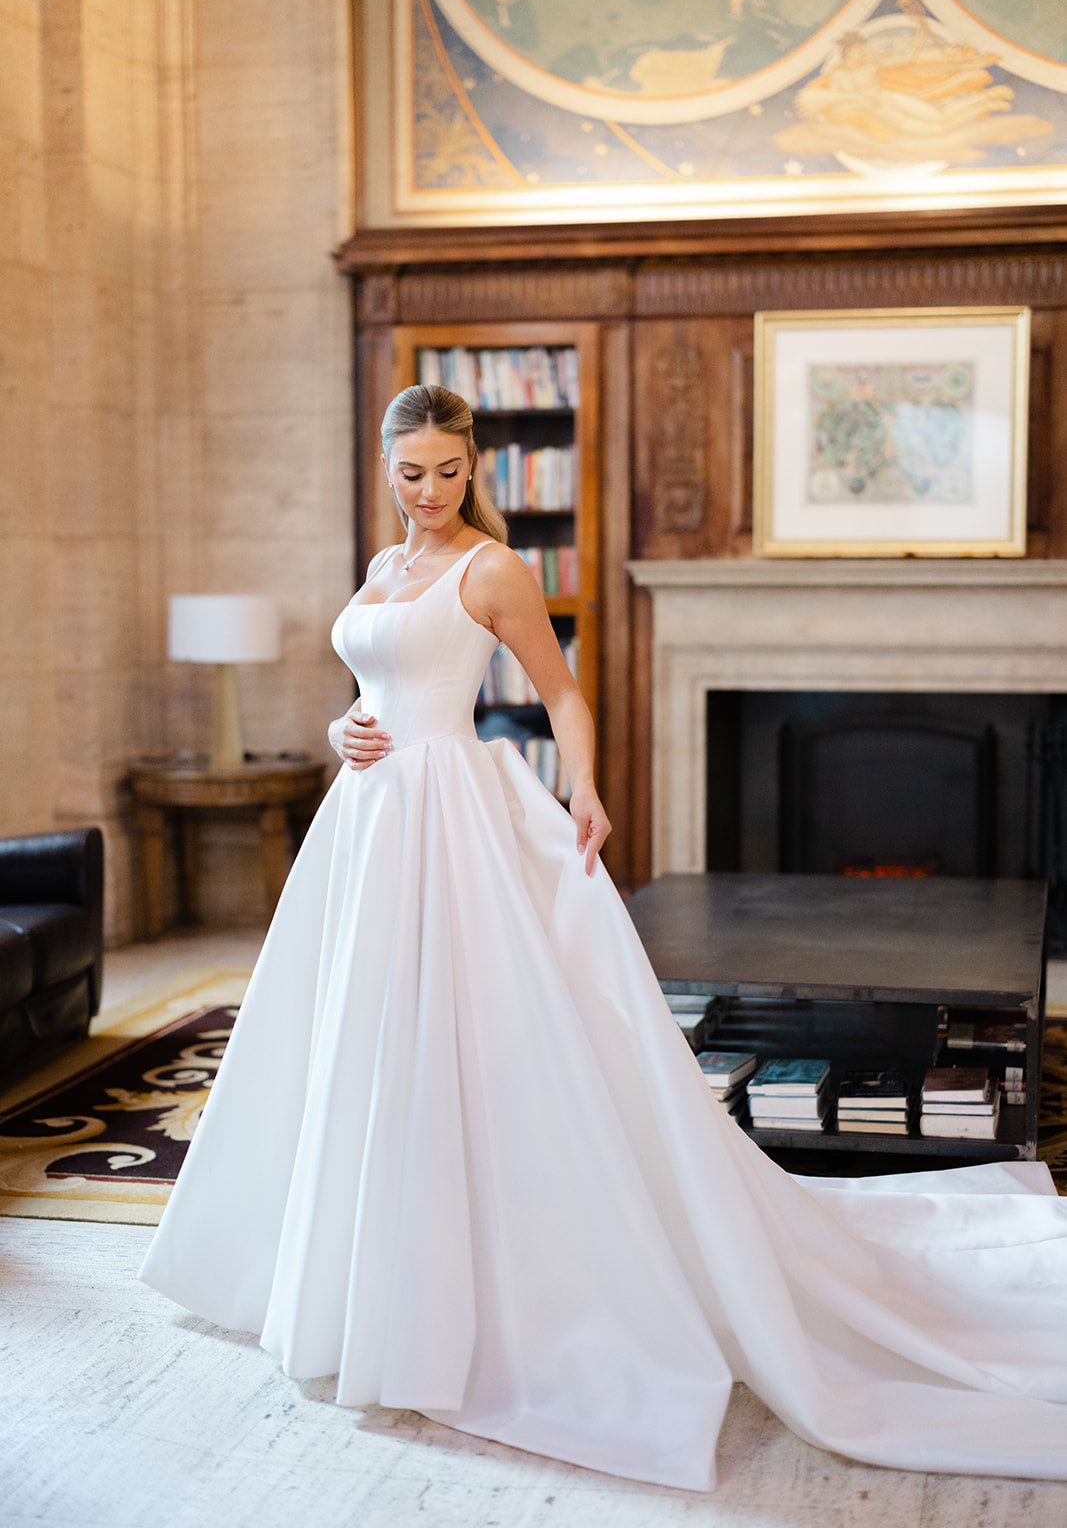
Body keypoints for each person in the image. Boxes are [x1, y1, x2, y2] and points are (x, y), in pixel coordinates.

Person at [140, 385, 1067, 1493]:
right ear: (383, 468)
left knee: (466, 1040)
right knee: (356, 1039)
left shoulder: (491, 568)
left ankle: (463, 1294)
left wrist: (581, 779)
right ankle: (352, 1284)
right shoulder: (384, 570)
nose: (428, 490)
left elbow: (561, 693)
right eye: (409, 472)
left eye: (445, 470)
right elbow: (368, 690)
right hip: (367, 824)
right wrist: (339, 728)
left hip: (449, 820)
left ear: (472, 467)